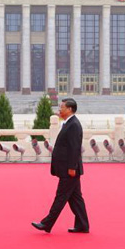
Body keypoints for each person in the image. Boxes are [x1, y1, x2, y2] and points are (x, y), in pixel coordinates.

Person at [32, 98, 90, 234]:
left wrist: (72, 167)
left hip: (69, 170)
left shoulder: (74, 125)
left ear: (69, 109)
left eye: (62, 107)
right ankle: (83, 225)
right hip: (68, 168)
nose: (59, 110)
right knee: (75, 198)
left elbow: (75, 148)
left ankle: (47, 223)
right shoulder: (68, 123)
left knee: (61, 197)